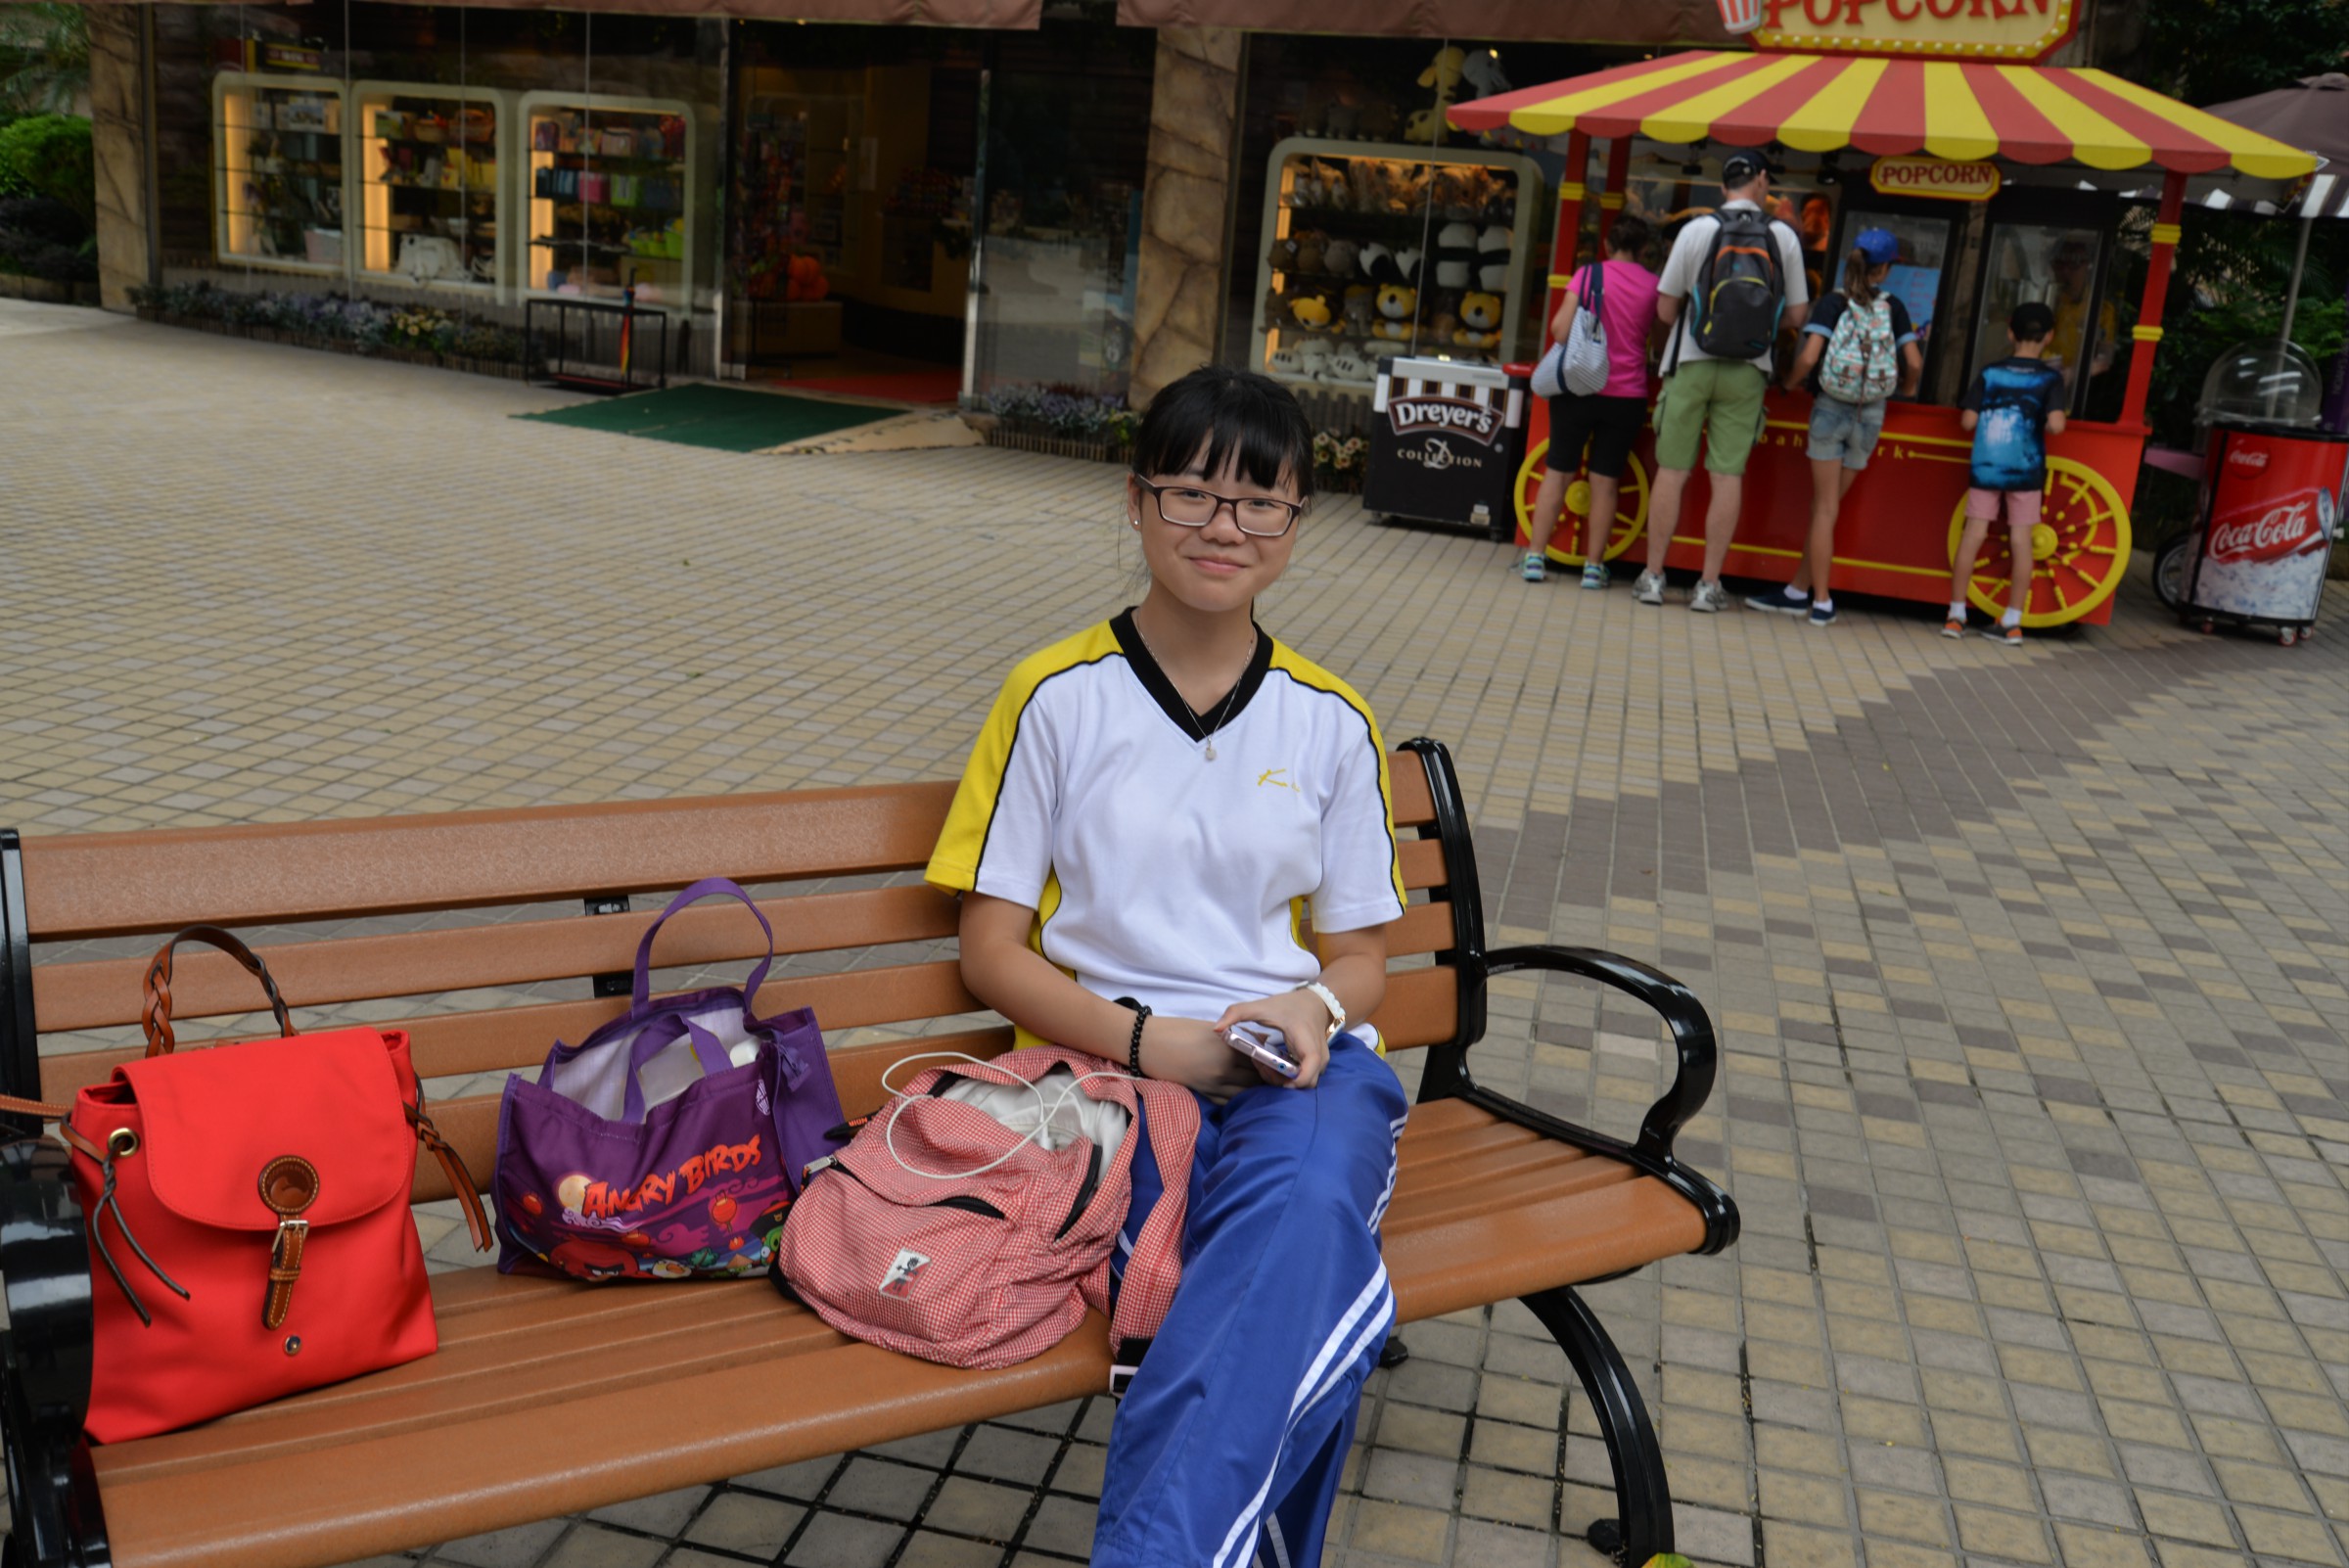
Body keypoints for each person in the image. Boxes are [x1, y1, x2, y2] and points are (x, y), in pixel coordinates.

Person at [926, 364, 1408, 1568]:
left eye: (1260, 500)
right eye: (1192, 491)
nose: (1223, 525)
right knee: (1290, 1271)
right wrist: (1154, 1045)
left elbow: (1362, 959)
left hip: (1295, 1069)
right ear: (1136, 502)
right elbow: (990, 950)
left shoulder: (1331, 719)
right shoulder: (1054, 696)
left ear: (1297, 524)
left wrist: (1312, 1004)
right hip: (1106, 1080)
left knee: (1304, 1209)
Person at [1637, 150, 1811, 612]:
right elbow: (1797, 315)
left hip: (1691, 362)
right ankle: (1708, 585)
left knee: (1672, 471)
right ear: (1762, 180)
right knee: (1726, 475)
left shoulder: (1696, 230)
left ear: (1722, 187)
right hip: (1749, 369)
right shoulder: (1783, 237)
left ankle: (1653, 577)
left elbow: (1665, 309)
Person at [1749, 227, 1923, 626]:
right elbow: (1913, 361)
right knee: (1825, 508)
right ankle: (1797, 590)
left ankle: (1822, 601)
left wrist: (1790, 383)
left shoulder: (1833, 303)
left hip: (1830, 408)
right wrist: (1908, 389)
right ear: (1885, 269)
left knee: (1824, 508)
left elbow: (1809, 357)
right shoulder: (1894, 306)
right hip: (1871, 414)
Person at [1522, 213, 1661, 587]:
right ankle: (1594, 568)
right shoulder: (1654, 286)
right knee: (1606, 482)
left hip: (1579, 387)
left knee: (1558, 472)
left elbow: (1560, 330)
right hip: (1627, 395)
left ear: (1607, 245)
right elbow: (1660, 344)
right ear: (1644, 250)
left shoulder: (1588, 275)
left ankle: (1535, 557)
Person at [1949, 301, 2065, 647]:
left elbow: (1967, 421)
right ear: (2049, 337)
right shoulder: (2050, 378)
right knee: (2021, 540)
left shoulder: (1990, 372)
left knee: (1973, 534)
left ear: (2011, 333)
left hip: (1986, 467)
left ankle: (1956, 616)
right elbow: (2057, 425)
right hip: (2026, 470)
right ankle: (2012, 621)